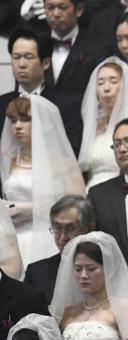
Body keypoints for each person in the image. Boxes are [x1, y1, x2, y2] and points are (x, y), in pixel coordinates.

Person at [2, 96, 85, 269]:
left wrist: (31, 209)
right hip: (12, 239)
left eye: (25, 120)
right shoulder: (8, 162)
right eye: (13, 120)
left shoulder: (62, 163)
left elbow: (77, 204)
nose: (17, 126)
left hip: (46, 237)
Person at [77, 59, 128, 189]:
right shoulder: (93, 128)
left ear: (125, 85)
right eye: (100, 83)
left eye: (113, 81)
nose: (106, 88)